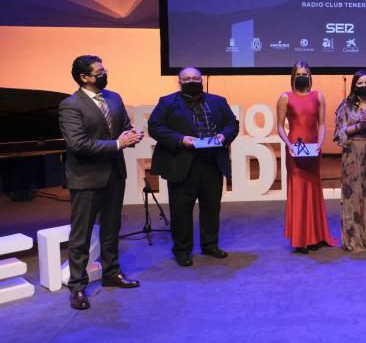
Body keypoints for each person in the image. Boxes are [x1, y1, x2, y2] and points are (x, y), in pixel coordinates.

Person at [58, 55, 144, 310]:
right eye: (99, 72)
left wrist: (130, 135)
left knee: (111, 228)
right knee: (81, 234)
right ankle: (77, 286)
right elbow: (78, 144)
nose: (104, 74)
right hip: (86, 177)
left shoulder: (114, 98)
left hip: (114, 174)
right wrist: (118, 144)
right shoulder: (70, 105)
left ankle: (112, 273)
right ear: (84, 77)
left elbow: (123, 126)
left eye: (105, 70)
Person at [148, 67, 239, 267]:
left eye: (195, 78)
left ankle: (210, 245)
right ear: (179, 82)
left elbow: (233, 124)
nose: (191, 81)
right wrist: (180, 140)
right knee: (181, 211)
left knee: (211, 208)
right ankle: (182, 250)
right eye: (186, 78)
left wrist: (224, 136)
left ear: (202, 80)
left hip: (212, 163)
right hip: (181, 164)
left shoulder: (218, 101)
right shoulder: (167, 102)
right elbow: (155, 127)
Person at [276, 61, 338, 253]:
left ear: (309, 76)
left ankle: (316, 235)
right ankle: (300, 238)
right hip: (295, 149)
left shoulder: (318, 96)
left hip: (313, 150)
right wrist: (289, 145)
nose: (302, 76)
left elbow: (321, 124)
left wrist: (320, 144)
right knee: (298, 191)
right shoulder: (285, 97)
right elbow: (279, 126)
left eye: (305, 73)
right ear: (293, 76)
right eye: (299, 73)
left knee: (313, 190)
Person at [334, 70, 366, 253]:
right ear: (354, 85)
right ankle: (353, 240)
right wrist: (357, 126)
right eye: (360, 83)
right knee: (352, 195)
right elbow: (340, 130)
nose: (363, 86)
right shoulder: (345, 106)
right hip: (352, 152)